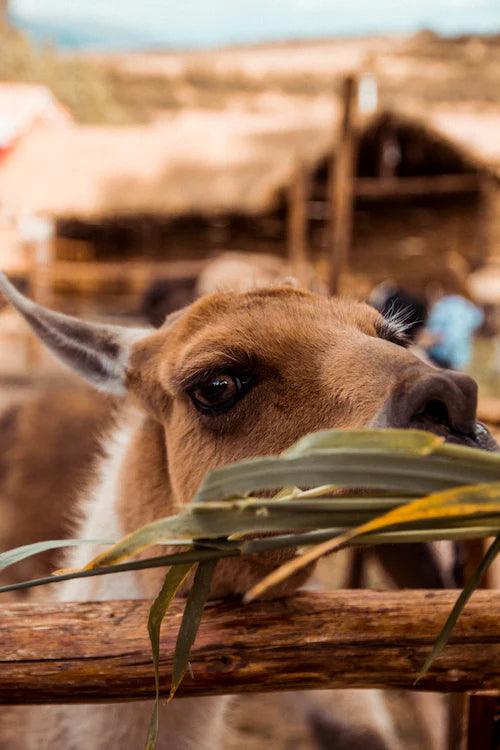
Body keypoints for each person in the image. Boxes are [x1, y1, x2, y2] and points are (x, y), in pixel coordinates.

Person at [422, 275, 484, 370]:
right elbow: (477, 320)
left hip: (442, 357)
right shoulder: (466, 305)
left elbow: (446, 334)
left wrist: (433, 340)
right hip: (461, 357)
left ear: (442, 289)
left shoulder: (443, 306)